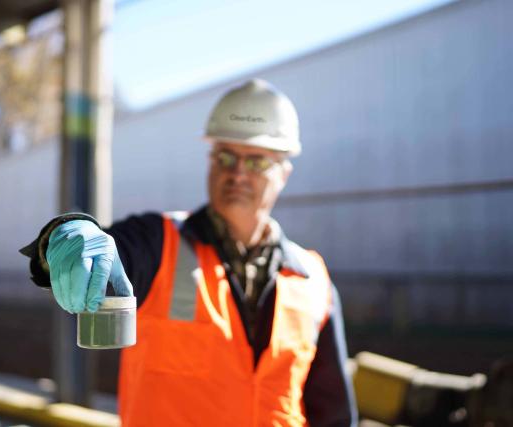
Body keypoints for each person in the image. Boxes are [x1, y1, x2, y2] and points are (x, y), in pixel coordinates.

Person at [21, 79, 357, 426]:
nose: (237, 173)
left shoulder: (313, 279)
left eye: (256, 161)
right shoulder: (159, 241)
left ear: (284, 173)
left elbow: (332, 414)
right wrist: (63, 238)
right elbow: (110, 251)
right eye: (225, 156)